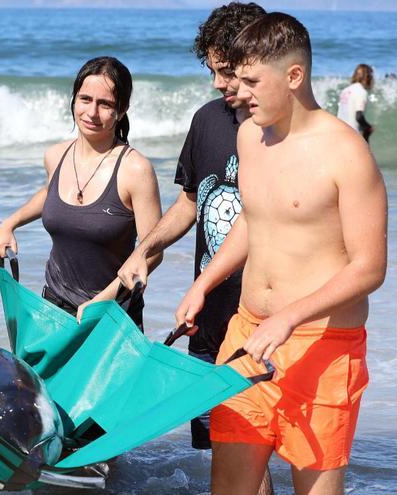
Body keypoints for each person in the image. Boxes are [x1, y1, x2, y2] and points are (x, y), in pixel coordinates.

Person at [175, 13, 387, 494]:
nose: (238, 92)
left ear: (294, 76)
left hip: (322, 347)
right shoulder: (250, 135)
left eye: (251, 80)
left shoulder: (346, 154)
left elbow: (370, 266)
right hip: (248, 334)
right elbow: (253, 218)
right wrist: (202, 285)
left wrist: (289, 317)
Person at [117, 6, 272, 490]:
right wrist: (145, 249)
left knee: (252, 452)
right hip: (206, 321)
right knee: (224, 454)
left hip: (264, 320)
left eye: (225, 71)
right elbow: (190, 202)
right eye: (212, 71)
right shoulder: (206, 121)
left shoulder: (278, 132)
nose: (217, 84)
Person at [0, 56, 162, 328]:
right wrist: (10, 223)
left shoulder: (135, 169)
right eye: (85, 99)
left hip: (112, 316)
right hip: (53, 309)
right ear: (73, 100)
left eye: (105, 104)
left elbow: (152, 252)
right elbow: (51, 194)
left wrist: (102, 301)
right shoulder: (55, 155)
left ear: (122, 109)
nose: (92, 113)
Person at [337, 63, 375, 142]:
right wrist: (368, 127)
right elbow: (359, 116)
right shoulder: (361, 91)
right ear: (367, 77)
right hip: (351, 137)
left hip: (339, 134)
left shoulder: (345, 90)